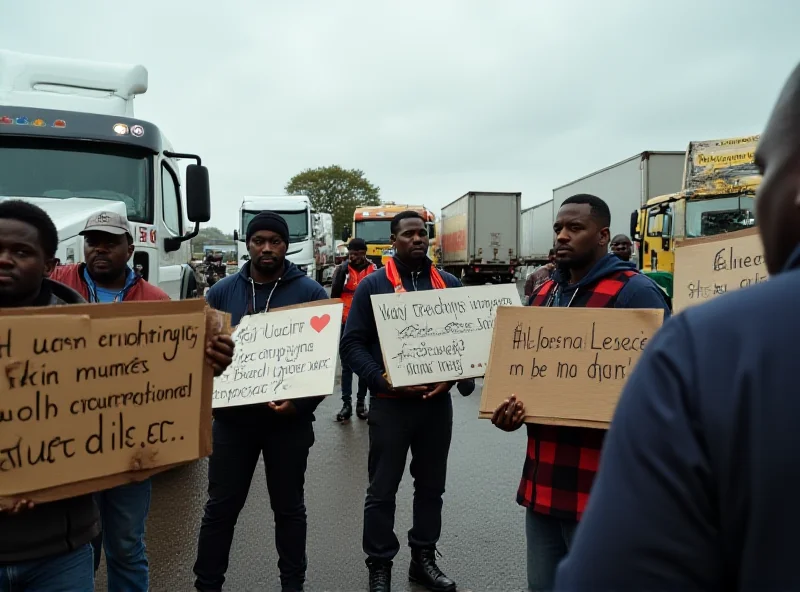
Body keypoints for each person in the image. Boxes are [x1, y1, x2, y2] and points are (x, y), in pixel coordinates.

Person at [553, 63, 800, 591]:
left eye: (769, 169)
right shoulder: (549, 291)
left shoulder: (700, 343)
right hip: (546, 477)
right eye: (557, 228)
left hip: (593, 481)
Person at [491, 194, 670, 592]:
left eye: (575, 228)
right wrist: (507, 412)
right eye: (558, 228)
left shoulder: (635, 294)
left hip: (605, 489)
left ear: (603, 235)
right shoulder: (542, 295)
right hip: (544, 483)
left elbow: (666, 392)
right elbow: (523, 378)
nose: (562, 236)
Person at [48, 210, 234, 592]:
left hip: (129, 446)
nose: (99, 249)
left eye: (110, 242)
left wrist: (212, 357)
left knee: (127, 545)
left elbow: (179, 370)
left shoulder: (157, 301)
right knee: (79, 546)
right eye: (92, 241)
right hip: (69, 445)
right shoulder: (56, 284)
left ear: (130, 249)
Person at [340, 211, 474, 592]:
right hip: (390, 405)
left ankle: (423, 559)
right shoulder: (374, 286)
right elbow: (351, 344)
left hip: (435, 407)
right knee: (382, 490)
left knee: (431, 487)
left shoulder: (448, 284)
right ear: (393, 240)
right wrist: (381, 379)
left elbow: (466, 339)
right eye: (409, 234)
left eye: (423, 233)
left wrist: (454, 378)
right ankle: (379, 564)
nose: (418, 239)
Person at [194, 212, 328, 592]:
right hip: (232, 424)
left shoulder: (311, 294)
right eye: (258, 240)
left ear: (286, 245)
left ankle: (293, 584)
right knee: (220, 510)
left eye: (275, 241)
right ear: (248, 244)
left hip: (288, 424)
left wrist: (300, 405)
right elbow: (207, 356)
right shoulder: (221, 292)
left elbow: (320, 362)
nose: (266, 248)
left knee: (288, 510)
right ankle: (207, 584)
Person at [0, 200, 98, 592]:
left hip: (60, 553)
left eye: (21, 252)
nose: (5, 260)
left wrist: (206, 362)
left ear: (49, 264)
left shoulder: (99, 340)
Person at [330, 237, 377, 422]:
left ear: (364, 253)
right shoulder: (342, 270)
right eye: (350, 254)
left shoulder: (373, 270)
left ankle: (360, 403)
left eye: (357, 254)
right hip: (345, 322)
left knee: (365, 363)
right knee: (347, 366)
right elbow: (334, 295)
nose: (353, 257)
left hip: (366, 322)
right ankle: (346, 404)